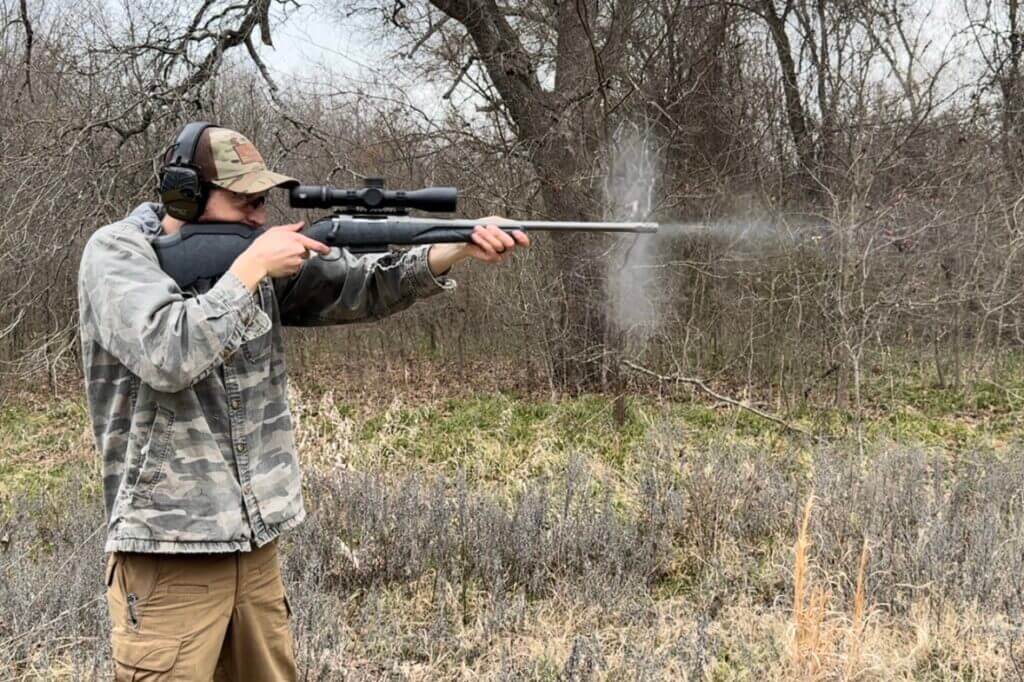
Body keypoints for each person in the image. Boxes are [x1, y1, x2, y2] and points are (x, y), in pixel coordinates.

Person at [76, 122, 529, 680]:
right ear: (183, 195)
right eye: (242, 202)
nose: (258, 217)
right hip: (169, 551)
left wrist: (452, 248)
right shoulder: (119, 253)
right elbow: (169, 352)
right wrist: (251, 270)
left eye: (260, 202)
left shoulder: (250, 261)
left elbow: (356, 287)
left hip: (254, 545)